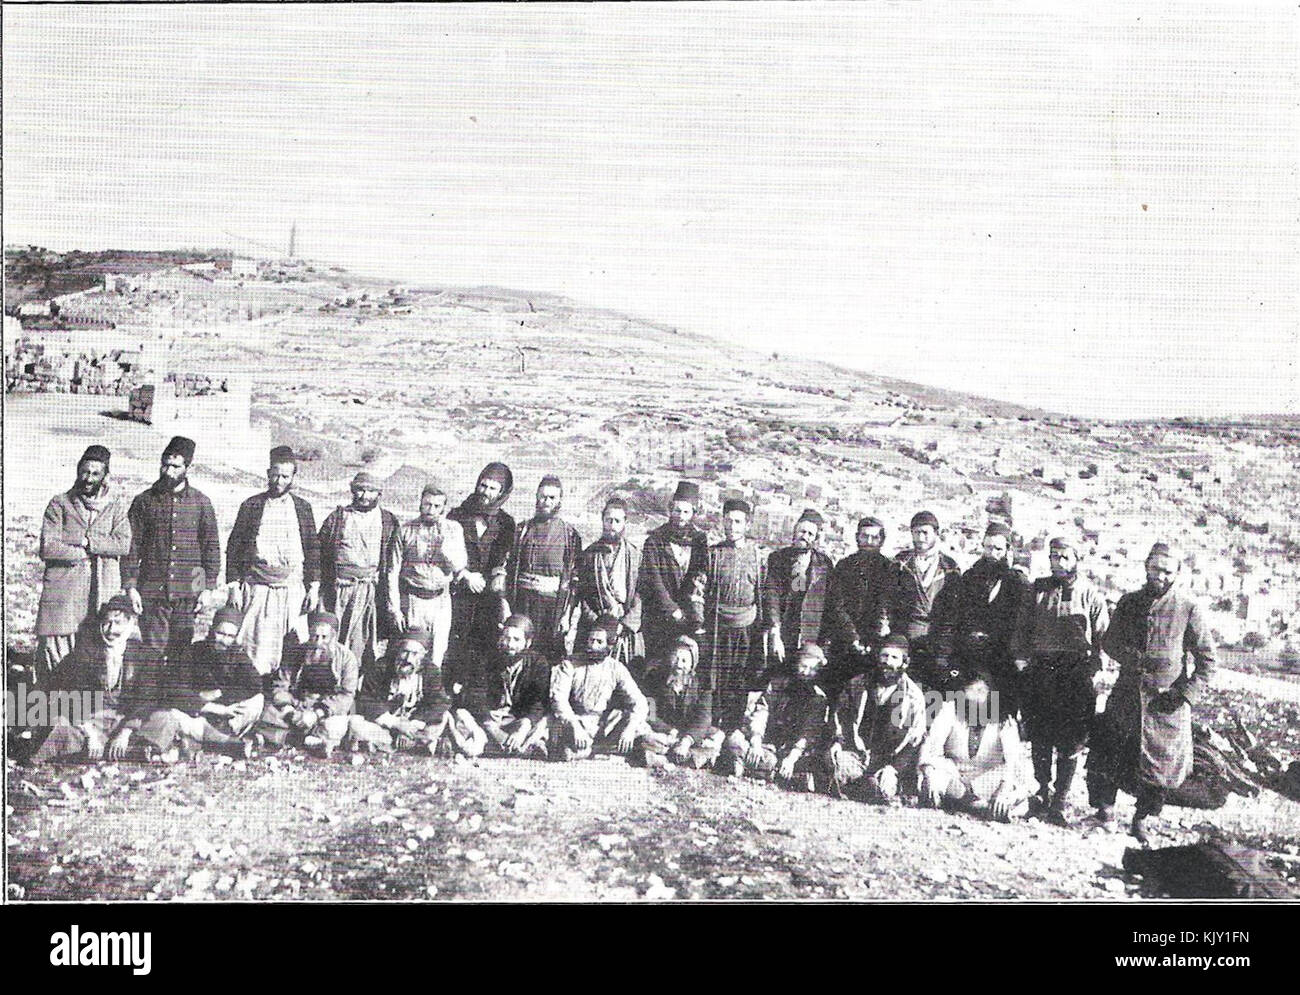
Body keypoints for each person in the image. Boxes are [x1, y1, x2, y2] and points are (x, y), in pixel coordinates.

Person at [1088, 542, 1218, 843]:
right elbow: (1109, 642)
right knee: (1110, 753)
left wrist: (1185, 694)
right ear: (1146, 567)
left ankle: (1142, 818)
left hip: (1166, 704)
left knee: (1159, 767)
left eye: (1166, 570)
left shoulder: (1188, 608)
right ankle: (1104, 812)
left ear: (1177, 573)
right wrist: (1128, 655)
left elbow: (1208, 661)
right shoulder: (1129, 602)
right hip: (1126, 698)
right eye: (1154, 568)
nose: (1159, 575)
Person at [1010, 536, 1110, 825]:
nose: (1059, 563)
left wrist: (1096, 670)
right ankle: (1042, 792)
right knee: (1040, 737)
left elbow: (1103, 636)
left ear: (1076, 559)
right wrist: (1021, 659)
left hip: (1076, 675)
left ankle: (1061, 801)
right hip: (1041, 672)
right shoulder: (1037, 590)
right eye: (1054, 557)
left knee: (1071, 742)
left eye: (1065, 557)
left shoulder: (1091, 594)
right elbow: (1022, 628)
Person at [123, 436, 222, 667]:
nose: (168, 471)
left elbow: (210, 549)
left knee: (181, 652)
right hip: (152, 593)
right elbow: (131, 547)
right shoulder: (144, 501)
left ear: (188, 468)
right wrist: (131, 586)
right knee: (153, 654)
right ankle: (150, 700)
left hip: (188, 594)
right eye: (165, 464)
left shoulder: (201, 503)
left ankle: (174, 699)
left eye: (175, 466)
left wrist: (205, 589)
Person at [35, 445, 132, 680]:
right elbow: (49, 547)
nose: (88, 479)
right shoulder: (59, 504)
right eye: (84, 472)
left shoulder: (115, 506)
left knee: (93, 659)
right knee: (56, 661)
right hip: (64, 595)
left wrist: (87, 542)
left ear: (105, 476)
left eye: (95, 474)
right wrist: (82, 553)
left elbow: (122, 544)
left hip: (100, 595)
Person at [26, 595, 160, 764]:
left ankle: (118, 749)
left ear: (130, 625)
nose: (111, 630)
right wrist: (90, 733)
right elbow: (69, 696)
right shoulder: (85, 653)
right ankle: (117, 751)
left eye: (118, 623)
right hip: (92, 721)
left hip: (124, 721)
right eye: (107, 623)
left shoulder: (144, 656)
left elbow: (147, 699)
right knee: (62, 728)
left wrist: (126, 731)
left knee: (163, 720)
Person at [225, 445, 320, 675]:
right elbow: (234, 547)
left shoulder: (303, 508)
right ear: (268, 473)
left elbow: (312, 549)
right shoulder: (252, 506)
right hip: (257, 588)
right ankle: (250, 688)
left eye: (285, 476)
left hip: (291, 590)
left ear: (293, 477)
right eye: (275, 474)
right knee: (253, 643)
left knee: (289, 644)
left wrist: (314, 586)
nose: (279, 481)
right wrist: (233, 586)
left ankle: (282, 692)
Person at [131, 606, 263, 760]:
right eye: (220, 633)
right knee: (172, 715)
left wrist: (220, 694)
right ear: (212, 629)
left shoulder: (237, 655)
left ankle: (204, 740)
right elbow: (174, 689)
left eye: (230, 636)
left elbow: (255, 684)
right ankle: (218, 742)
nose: (224, 640)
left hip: (223, 717)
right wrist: (206, 703)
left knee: (257, 701)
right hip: (196, 712)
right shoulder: (194, 651)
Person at [341, 627, 486, 758]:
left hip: (417, 726)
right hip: (388, 726)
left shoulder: (431, 671)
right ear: (397, 650)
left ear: (423, 655)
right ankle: (423, 745)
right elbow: (367, 700)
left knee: (445, 719)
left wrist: (414, 723)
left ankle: (414, 743)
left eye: (415, 654)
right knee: (356, 724)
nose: (408, 659)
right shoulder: (381, 667)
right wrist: (397, 724)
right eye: (405, 652)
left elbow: (439, 702)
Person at [935, 521, 1027, 718]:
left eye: (997, 548)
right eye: (987, 547)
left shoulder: (1017, 583)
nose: (992, 553)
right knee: (967, 710)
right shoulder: (970, 577)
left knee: (997, 714)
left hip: (1001, 657)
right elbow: (957, 615)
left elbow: (1022, 623)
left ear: (1007, 550)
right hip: (970, 655)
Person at [918, 667, 1032, 822]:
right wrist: (929, 774)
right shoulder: (949, 709)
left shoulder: (1004, 720)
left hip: (987, 780)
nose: (976, 698)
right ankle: (979, 807)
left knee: (1016, 787)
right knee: (933, 779)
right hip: (954, 776)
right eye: (970, 692)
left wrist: (1003, 790)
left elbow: (1013, 762)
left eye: (981, 691)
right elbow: (931, 749)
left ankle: (965, 803)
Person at [824, 634, 927, 802]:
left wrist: (894, 768)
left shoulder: (913, 697)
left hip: (888, 761)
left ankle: (872, 786)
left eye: (894, 657)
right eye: (884, 655)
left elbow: (914, 740)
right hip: (857, 754)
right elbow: (840, 716)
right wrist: (838, 741)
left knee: (883, 789)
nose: (887, 661)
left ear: (904, 662)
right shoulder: (857, 685)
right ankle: (857, 784)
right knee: (837, 763)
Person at [317, 471, 399, 677]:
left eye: (370, 491)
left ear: (379, 493)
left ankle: (354, 682)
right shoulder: (337, 518)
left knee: (362, 640)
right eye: (360, 490)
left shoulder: (388, 520)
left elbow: (394, 559)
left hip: (370, 591)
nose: (364, 495)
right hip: (339, 589)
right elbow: (319, 553)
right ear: (353, 491)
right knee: (331, 636)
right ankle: (328, 679)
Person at [384, 483, 468, 681]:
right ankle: (403, 694)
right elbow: (392, 571)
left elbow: (460, 565)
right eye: (427, 504)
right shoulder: (405, 531)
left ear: (444, 509)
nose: (431, 510)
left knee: (437, 652)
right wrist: (394, 608)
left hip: (440, 599)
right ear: (420, 504)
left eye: (437, 506)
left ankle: (430, 698)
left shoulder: (454, 529)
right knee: (410, 649)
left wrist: (445, 548)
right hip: (413, 598)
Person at [695, 498, 766, 732]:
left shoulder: (758, 558)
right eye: (728, 521)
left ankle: (733, 728)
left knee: (739, 679)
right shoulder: (712, 554)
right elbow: (698, 589)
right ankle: (710, 726)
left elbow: (763, 594)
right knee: (714, 678)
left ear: (747, 525)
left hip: (746, 627)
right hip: (717, 625)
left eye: (737, 522)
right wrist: (699, 622)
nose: (732, 527)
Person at [720, 642, 831, 790]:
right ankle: (779, 775)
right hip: (767, 745)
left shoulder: (818, 698)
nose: (806, 673)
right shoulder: (777, 685)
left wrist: (791, 759)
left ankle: (758, 769)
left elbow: (808, 733)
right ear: (796, 663)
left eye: (812, 670)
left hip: (792, 751)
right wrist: (756, 741)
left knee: (816, 762)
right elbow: (762, 712)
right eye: (803, 666)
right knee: (734, 739)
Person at [446, 462, 515, 695]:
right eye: (483, 485)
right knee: (455, 641)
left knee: (484, 644)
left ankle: (476, 696)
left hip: (488, 597)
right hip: (459, 593)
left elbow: (504, 558)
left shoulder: (506, 523)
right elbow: (445, 551)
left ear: (502, 492)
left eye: (493, 488)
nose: (485, 492)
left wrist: (497, 579)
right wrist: (464, 574)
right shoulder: (456, 515)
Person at [548, 616, 649, 761]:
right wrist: (575, 726)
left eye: (599, 642)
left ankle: (593, 751)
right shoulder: (570, 664)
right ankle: (603, 751)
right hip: (576, 721)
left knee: (639, 727)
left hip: (603, 724)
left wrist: (630, 728)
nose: (593, 645)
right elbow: (559, 699)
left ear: (610, 645)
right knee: (553, 727)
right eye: (591, 640)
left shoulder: (616, 668)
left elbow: (640, 702)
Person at [506, 474, 582, 660]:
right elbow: (508, 569)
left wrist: (567, 616)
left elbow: (574, 581)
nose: (546, 502)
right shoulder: (522, 530)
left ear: (559, 500)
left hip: (551, 607)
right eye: (543, 496)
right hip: (523, 602)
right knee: (518, 651)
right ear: (536, 497)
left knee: (548, 656)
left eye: (552, 498)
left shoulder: (570, 534)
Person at [260, 610, 360, 751]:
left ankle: (288, 738)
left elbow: (346, 695)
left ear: (334, 637)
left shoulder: (347, 658)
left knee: (334, 726)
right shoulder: (296, 653)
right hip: (297, 707)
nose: (318, 642)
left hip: (326, 712)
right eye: (314, 636)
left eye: (324, 637)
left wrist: (316, 713)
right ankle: (308, 741)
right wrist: (290, 711)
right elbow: (280, 686)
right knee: (266, 712)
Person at [887, 510, 961, 691]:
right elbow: (887, 600)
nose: (920, 538)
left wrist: (945, 646)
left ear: (937, 533)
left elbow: (953, 611)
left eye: (925, 533)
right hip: (904, 633)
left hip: (934, 637)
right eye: (916, 532)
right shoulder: (900, 562)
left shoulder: (950, 567)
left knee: (929, 691)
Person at [637, 481, 708, 666]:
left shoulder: (699, 541)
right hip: (659, 616)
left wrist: (691, 609)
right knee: (657, 666)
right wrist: (672, 609)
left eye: (686, 512)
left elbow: (699, 575)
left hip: (688, 616)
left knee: (683, 664)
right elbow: (653, 580)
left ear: (693, 513)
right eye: (677, 511)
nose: (680, 517)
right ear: (670, 510)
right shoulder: (655, 541)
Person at [822, 515, 894, 694]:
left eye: (874, 537)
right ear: (857, 538)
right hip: (844, 641)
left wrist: (874, 639)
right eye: (864, 536)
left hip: (875, 645)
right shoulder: (844, 566)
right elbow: (836, 605)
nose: (869, 542)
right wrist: (853, 638)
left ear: (882, 540)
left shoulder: (890, 569)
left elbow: (886, 607)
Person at [572, 497, 642, 668]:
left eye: (617, 520)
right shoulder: (589, 554)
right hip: (593, 625)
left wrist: (624, 624)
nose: (612, 524)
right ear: (602, 520)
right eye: (608, 520)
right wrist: (597, 622)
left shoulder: (635, 556)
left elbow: (641, 594)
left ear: (625, 522)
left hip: (623, 627)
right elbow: (583, 595)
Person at [638, 634, 724, 769]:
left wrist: (687, 740)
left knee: (717, 737)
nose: (679, 664)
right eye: (675, 658)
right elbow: (650, 714)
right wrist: (670, 731)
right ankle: (688, 758)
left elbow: (704, 718)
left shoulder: (702, 686)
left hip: (689, 735)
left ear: (692, 665)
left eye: (684, 660)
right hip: (665, 733)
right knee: (643, 732)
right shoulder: (654, 679)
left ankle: (667, 757)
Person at [762, 509, 833, 671]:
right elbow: (771, 596)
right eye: (802, 531)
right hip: (783, 627)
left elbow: (829, 603)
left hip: (809, 631)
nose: (805, 536)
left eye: (810, 534)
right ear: (795, 531)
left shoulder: (824, 564)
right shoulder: (778, 558)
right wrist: (775, 631)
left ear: (815, 538)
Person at [478, 614, 552, 757]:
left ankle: (510, 746)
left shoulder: (539, 663)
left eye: (516, 640)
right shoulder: (489, 660)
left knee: (544, 722)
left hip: (519, 718)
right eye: (506, 638)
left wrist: (525, 725)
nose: (509, 644)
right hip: (494, 718)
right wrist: (488, 720)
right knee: (469, 720)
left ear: (527, 643)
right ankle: (520, 748)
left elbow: (538, 702)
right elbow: (477, 695)